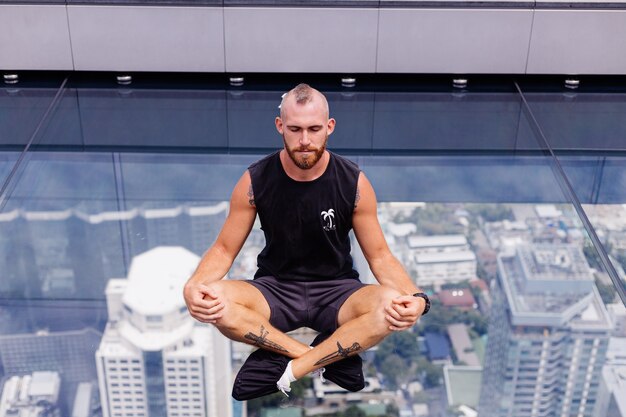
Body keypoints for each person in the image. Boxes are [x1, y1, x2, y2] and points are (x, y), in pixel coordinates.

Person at [183, 83, 429, 400]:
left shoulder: (353, 182)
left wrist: (417, 298)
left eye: (314, 129)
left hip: (338, 291)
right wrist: (195, 285)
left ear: (329, 127)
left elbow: (380, 257)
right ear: (280, 127)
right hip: (274, 288)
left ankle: (292, 370)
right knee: (215, 300)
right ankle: (316, 358)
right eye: (295, 129)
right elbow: (224, 249)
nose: (304, 141)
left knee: (389, 308)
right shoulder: (255, 180)